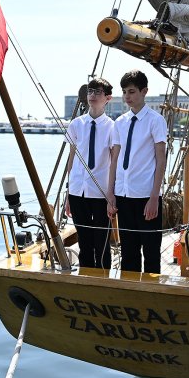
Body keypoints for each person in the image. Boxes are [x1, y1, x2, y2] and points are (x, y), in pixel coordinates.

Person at [107, 70, 168, 274]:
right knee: (129, 252)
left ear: (144, 91)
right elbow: (114, 160)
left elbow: (161, 160)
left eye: (131, 91)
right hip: (123, 195)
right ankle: (129, 294)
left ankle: (152, 296)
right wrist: (110, 194)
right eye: (124, 92)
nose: (127, 97)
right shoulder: (119, 123)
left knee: (151, 252)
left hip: (145, 196)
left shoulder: (155, 120)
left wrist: (154, 197)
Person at [65, 78, 114, 269]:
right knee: (84, 240)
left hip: (101, 192)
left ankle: (104, 278)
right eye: (90, 91)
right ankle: (85, 277)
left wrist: (112, 195)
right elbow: (71, 159)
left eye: (98, 92)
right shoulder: (76, 124)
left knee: (102, 241)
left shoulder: (112, 127)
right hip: (78, 190)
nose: (92, 95)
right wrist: (69, 193)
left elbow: (114, 162)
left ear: (108, 98)